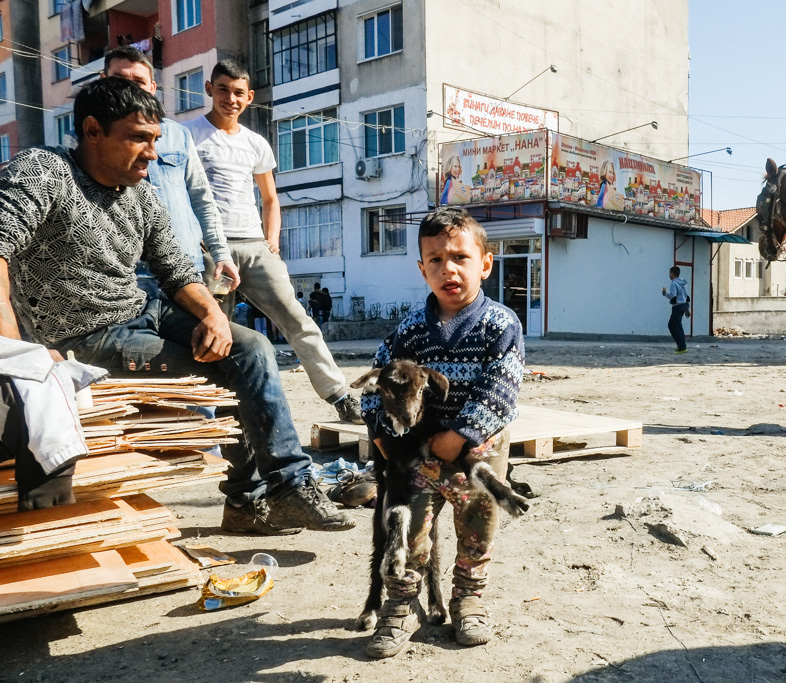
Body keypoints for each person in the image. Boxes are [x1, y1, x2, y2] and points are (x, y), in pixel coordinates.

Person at [0, 77, 355, 536]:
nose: (152, 153)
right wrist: (16, 352)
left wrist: (211, 314)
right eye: (138, 138)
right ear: (92, 131)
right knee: (230, 372)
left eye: (156, 140)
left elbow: (176, 269)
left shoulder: (140, 193)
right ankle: (252, 500)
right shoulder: (43, 172)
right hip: (84, 337)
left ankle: (289, 484)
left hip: (144, 311)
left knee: (250, 348)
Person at [360, 207, 524, 659]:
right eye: (434, 259)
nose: (447, 268)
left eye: (459, 257)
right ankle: (401, 603)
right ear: (422, 269)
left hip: (476, 449)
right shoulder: (409, 331)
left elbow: (502, 388)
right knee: (409, 528)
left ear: (485, 264)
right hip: (418, 451)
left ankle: (468, 596)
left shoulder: (501, 325)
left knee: (478, 524)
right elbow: (378, 379)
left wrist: (462, 433)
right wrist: (379, 431)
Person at [183, 60, 362, 424]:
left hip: (253, 246)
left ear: (249, 97)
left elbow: (270, 199)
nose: (229, 99)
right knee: (212, 331)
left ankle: (340, 395)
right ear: (208, 89)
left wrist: (272, 240)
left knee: (297, 319)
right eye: (222, 89)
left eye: (237, 93)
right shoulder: (188, 136)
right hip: (209, 252)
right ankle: (205, 413)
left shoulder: (255, 143)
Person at [101, 46, 240, 295]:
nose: (130, 89)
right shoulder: (88, 139)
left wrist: (221, 254)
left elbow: (201, 198)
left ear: (152, 88)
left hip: (185, 267)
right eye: (119, 80)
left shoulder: (177, 135)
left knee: (208, 333)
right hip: (124, 274)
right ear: (103, 82)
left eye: (139, 82)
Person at [662, 266, 690, 353]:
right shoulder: (683, 282)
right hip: (683, 306)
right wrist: (687, 308)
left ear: (672, 274)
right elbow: (686, 296)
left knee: (673, 326)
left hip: (677, 307)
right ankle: (680, 345)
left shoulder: (673, 284)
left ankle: (682, 346)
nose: (669, 275)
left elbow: (673, 295)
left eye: (670, 273)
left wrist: (665, 294)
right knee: (677, 326)